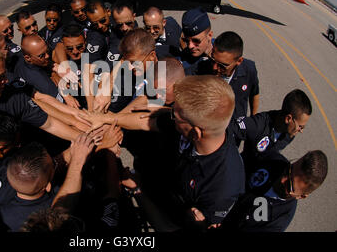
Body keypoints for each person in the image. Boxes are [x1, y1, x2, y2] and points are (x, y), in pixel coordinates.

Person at [79, 75, 245, 231]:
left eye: (174, 114)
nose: (169, 113)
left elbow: (172, 228)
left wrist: (138, 190)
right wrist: (108, 119)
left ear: (195, 133)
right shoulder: (198, 125)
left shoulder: (221, 190)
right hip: (164, 186)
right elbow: (147, 121)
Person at [222, 150, 328, 232]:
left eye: (289, 185)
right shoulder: (272, 159)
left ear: (301, 196)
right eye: (289, 170)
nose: (282, 179)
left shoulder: (279, 220)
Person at [229, 89, 312, 171]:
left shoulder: (290, 134)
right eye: (300, 126)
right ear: (288, 119)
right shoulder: (258, 125)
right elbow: (229, 127)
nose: (301, 130)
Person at [186, 31, 260, 120]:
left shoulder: (249, 69)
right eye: (213, 60)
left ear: (239, 61)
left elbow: (254, 93)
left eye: (222, 66)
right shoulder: (199, 70)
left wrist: (253, 119)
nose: (214, 68)